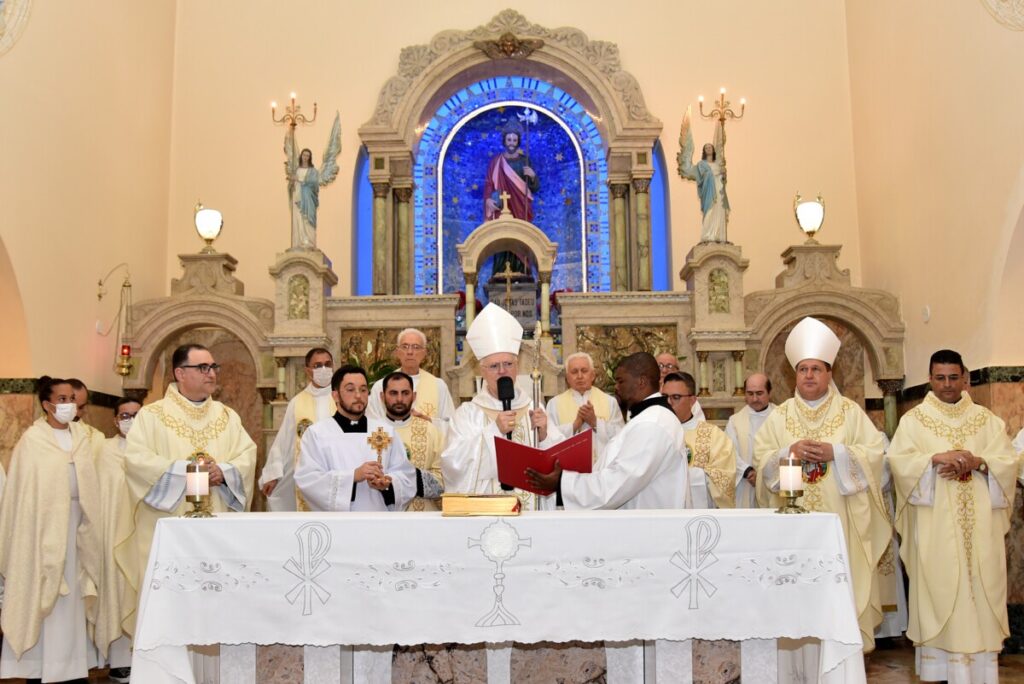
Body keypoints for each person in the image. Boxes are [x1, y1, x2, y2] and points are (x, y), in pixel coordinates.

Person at [754, 317, 890, 653]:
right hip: (793, 526)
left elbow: (877, 456)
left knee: (838, 587)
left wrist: (838, 453)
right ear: (793, 375)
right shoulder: (780, 416)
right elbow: (762, 461)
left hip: (841, 523)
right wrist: (790, 452)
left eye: (816, 369)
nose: (809, 376)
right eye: (803, 369)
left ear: (829, 374)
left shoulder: (850, 413)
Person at [888, 349, 1018, 683]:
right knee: (940, 587)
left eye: (953, 377)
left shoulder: (986, 420)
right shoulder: (913, 421)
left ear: (965, 378)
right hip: (936, 527)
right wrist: (933, 458)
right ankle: (941, 669)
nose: (947, 385)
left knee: (982, 585)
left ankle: (981, 671)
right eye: (940, 377)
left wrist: (980, 462)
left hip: (981, 529)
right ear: (930, 379)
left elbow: (1007, 460)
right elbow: (899, 462)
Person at [119, 344, 257, 634]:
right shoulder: (152, 416)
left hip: (217, 527)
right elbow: (136, 460)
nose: (211, 374)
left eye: (213, 367)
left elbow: (246, 454)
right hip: (167, 528)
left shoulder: (226, 416)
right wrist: (188, 471)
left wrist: (225, 471)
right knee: (170, 604)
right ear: (180, 373)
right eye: (202, 367)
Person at [0, 376, 114, 682]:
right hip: (42, 533)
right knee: (46, 602)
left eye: (72, 399)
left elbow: (92, 483)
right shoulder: (33, 441)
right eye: (62, 399)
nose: (69, 404)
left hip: (79, 529)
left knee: (74, 602)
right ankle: (42, 669)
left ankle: (74, 668)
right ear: (47, 404)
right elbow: (22, 496)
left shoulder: (83, 438)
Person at [526, 352, 686, 510]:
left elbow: (618, 484)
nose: (616, 388)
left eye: (621, 381)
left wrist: (562, 483)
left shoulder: (652, 424)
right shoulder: (649, 418)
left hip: (648, 528)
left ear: (641, 382)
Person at [441, 303, 563, 510]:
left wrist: (545, 437)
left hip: (531, 508)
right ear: (482, 370)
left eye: (508, 364)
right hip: (488, 510)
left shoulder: (533, 406)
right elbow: (453, 464)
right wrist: (493, 432)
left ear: (517, 366)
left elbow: (558, 463)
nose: (502, 371)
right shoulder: (468, 414)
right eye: (494, 366)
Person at [295, 365, 417, 512]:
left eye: (363, 390)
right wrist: (353, 476)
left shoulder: (386, 431)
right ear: (335, 395)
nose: (358, 395)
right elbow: (308, 480)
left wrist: (388, 485)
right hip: (339, 526)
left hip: (380, 523)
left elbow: (407, 477)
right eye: (350, 389)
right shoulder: (317, 434)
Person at [95, 397, 142, 683]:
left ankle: (145, 655)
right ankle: (120, 659)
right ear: (115, 420)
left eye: (136, 415)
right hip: (113, 532)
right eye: (125, 415)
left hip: (142, 532)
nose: (130, 420)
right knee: (117, 590)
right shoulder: (103, 451)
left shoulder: (153, 449)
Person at [259, 347, 337, 511]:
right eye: (317, 366)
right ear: (308, 370)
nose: (324, 369)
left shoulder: (342, 398)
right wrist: (272, 474)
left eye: (327, 364)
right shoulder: (297, 402)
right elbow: (283, 441)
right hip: (306, 475)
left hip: (335, 472)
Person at [663, 372, 736, 509]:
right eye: (664, 397)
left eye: (676, 397)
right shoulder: (654, 433)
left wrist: (679, 476)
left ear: (692, 400)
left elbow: (725, 480)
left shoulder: (714, 436)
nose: (668, 403)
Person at [378, 371, 445, 511]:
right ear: (382, 396)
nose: (400, 399)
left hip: (422, 517)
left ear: (414, 396)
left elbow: (444, 480)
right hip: (381, 515)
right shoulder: (371, 430)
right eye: (393, 393)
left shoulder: (430, 431)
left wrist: (408, 477)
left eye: (405, 393)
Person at [366, 328, 455, 433]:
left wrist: (429, 421)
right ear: (397, 352)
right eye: (405, 347)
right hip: (390, 445)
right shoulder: (381, 386)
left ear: (424, 353)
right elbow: (371, 422)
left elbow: (451, 426)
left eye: (416, 347)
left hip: (426, 447)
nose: (410, 352)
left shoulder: (438, 386)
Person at [545, 351, 624, 461]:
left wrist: (595, 423)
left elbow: (621, 437)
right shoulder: (554, 404)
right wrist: (574, 426)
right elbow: (548, 439)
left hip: (602, 469)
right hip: (569, 469)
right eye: (574, 372)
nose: (580, 376)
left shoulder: (610, 402)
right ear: (567, 378)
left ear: (592, 375)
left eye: (584, 371)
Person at [724, 373, 776, 507]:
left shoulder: (781, 417)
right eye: (750, 393)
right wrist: (748, 472)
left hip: (774, 482)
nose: (754, 398)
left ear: (769, 393)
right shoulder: (735, 421)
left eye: (759, 393)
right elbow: (729, 452)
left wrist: (765, 475)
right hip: (746, 482)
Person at [483, 121, 538, 222]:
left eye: (514, 140)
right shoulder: (496, 161)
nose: (511, 143)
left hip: (520, 205)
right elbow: (489, 183)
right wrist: (488, 199)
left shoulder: (524, 161)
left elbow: (533, 188)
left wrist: (533, 177)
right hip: (500, 205)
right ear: (504, 141)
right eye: (509, 140)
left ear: (518, 142)